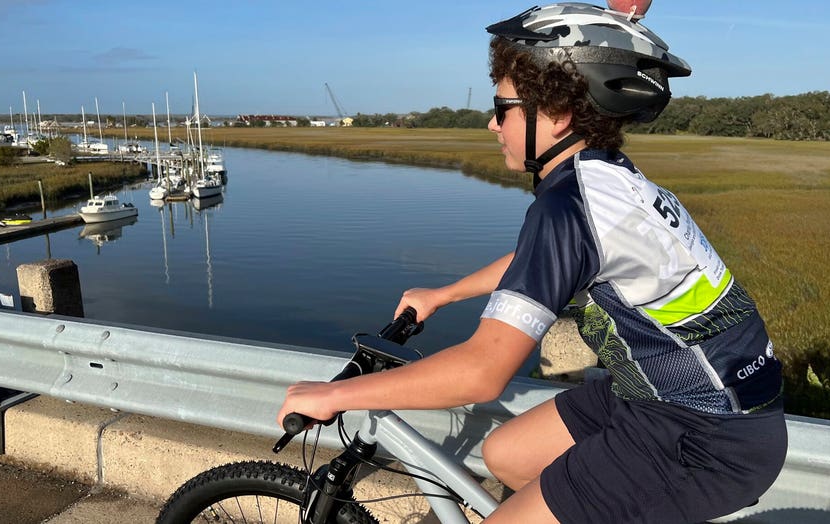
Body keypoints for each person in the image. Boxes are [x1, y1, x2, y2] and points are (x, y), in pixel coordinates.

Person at [278, 3, 788, 522]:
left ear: (558, 112)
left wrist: (337, 394)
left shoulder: (568, 205)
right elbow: (541, 261)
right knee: (508, 456)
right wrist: (444, 295)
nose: (491, 123)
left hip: (705, 438)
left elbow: (482, 372)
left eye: (503, 107)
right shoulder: (608, 177)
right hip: (673, 400)